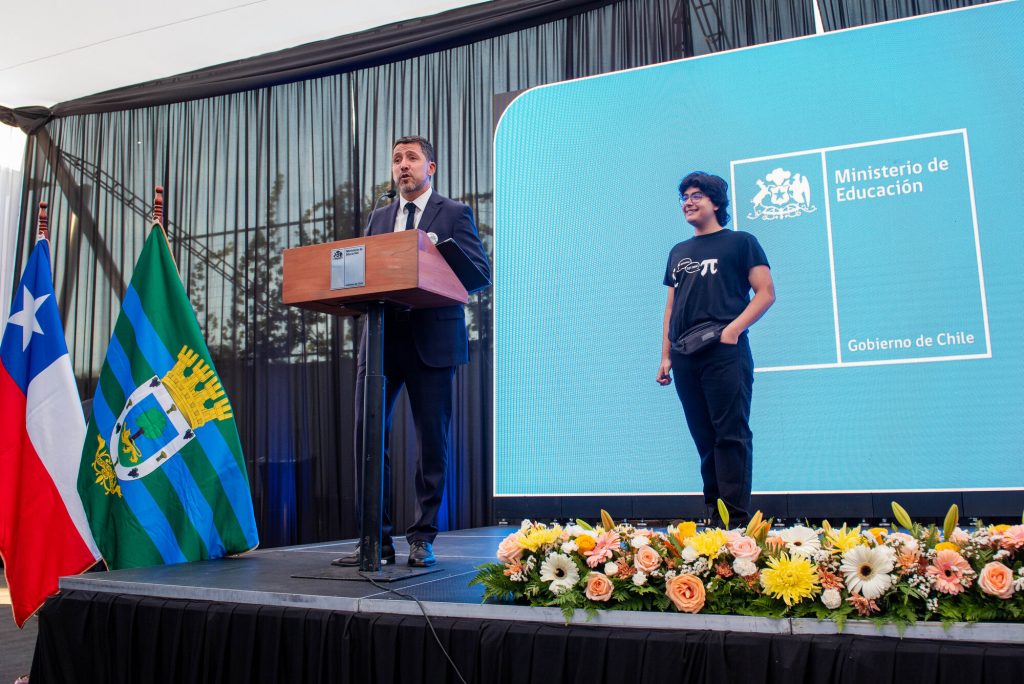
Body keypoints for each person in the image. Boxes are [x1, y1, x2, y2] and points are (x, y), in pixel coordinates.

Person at [334, 136, 490, 567]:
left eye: (412, 158)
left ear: (430, 167)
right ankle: (375, 540)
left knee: (431, 444)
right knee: (368, 438)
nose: (403, 165)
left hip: (432, 341)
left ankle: (422, 537)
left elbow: (479, 273)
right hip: (381, 341)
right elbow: (363, 273)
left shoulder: (454, 213)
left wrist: (436, 257)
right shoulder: (379, 217)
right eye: (397, 159)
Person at [656, 171, 775, 527]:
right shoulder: (679, 252)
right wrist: (665, 355)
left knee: (730, 435)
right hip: (684, 355)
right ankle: (714, 518)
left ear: (716, 202)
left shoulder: (741, 242)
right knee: (704, 437)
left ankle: (735, 522)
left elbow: (766, 293)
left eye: (697, 196)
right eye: (684, 197)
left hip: (724, 352)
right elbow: (671, 307)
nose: (688, 202)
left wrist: (733, 330)